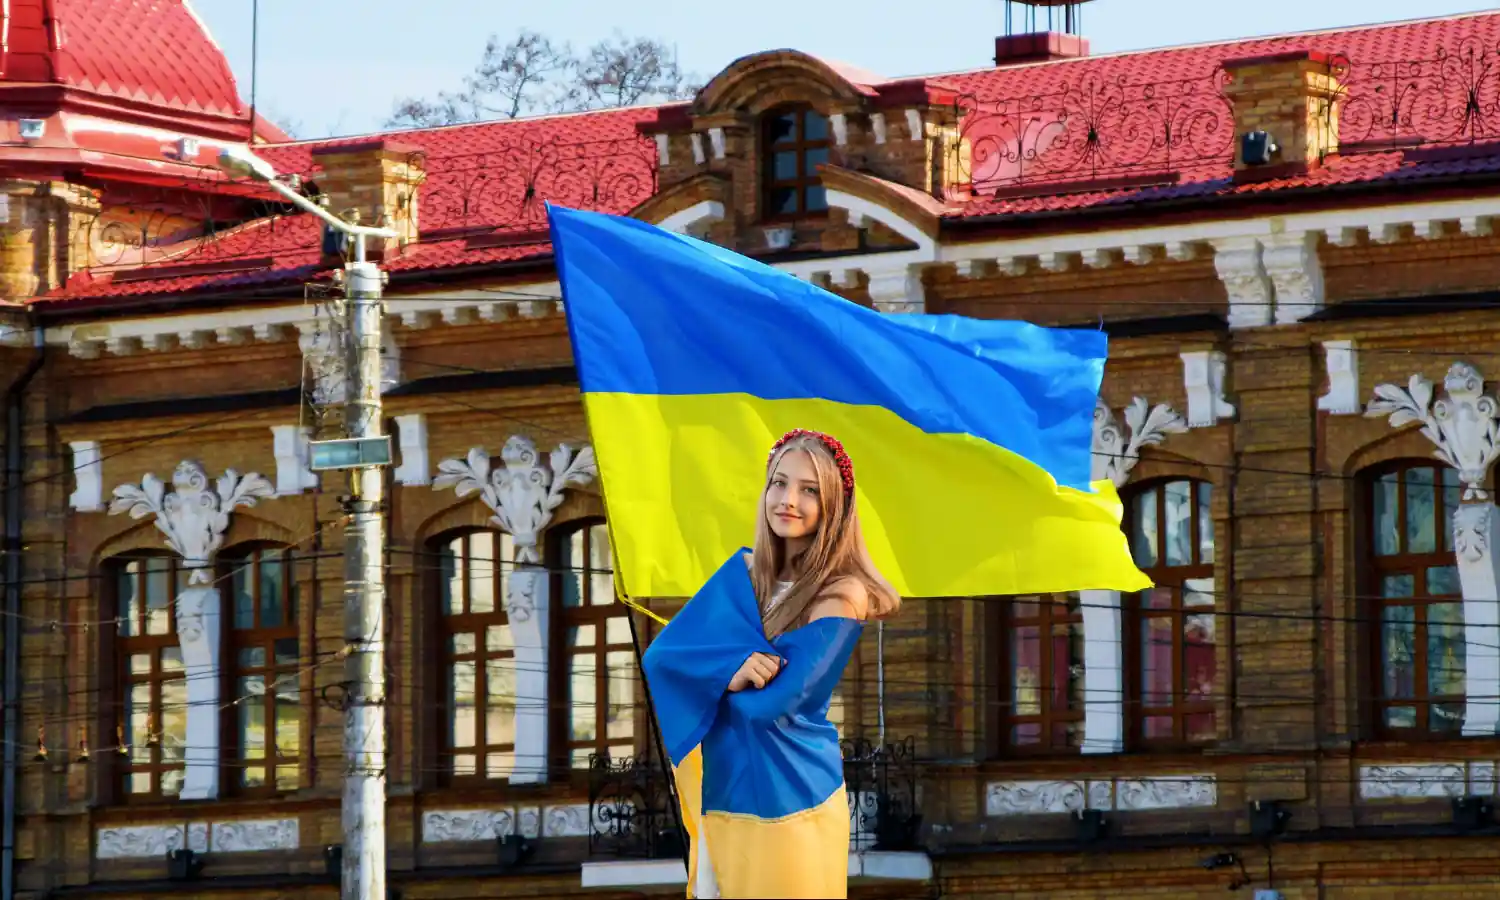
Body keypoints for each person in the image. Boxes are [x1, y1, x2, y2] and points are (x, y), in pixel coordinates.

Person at [641, 429, 900, 899]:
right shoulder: (739, 575)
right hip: (724, 796)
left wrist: (712, 676)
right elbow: (662, 660)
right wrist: (730, 670)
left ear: (834, 506)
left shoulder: (841, 594)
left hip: (794, 801)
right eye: (778, 483)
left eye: (809, 490)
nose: (788, 500)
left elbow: (774, 704)